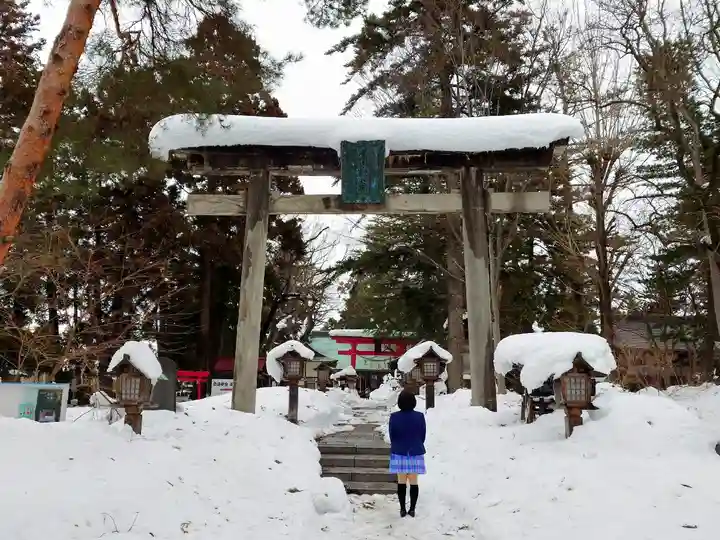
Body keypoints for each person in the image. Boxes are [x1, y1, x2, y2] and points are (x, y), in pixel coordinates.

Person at [388, 389, 426, 517]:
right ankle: (413, 509)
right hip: (415, 450)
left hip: (399, 451)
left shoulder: (394, 417)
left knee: (401, 482)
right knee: (414, 482)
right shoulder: (419, 416)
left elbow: (392, 435)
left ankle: (403, 509)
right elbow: (422, 435)